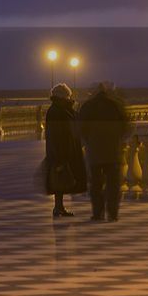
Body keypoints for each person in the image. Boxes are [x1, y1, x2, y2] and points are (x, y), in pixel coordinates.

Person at [77, 81, 130, 222]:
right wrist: (118, 138)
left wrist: (89, 139)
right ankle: (112, 213)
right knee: (113, 184)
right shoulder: (116, 105)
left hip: (94, 150)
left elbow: (80, 127)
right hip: (113, 150)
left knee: (95, 184)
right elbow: (126, 125)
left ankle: (97, 213)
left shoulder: (88, 106)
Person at [42, 83, 86, 217]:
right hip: (61, 150)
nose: (69, 98)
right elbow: (58, 134)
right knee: (60, 179)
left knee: (61, 180)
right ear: (64, 96)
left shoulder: (61, 109)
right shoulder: (58, 111)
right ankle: (58, 207)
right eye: (68, 96)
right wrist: (59, 157)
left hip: (64, 149)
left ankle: (59, 207)